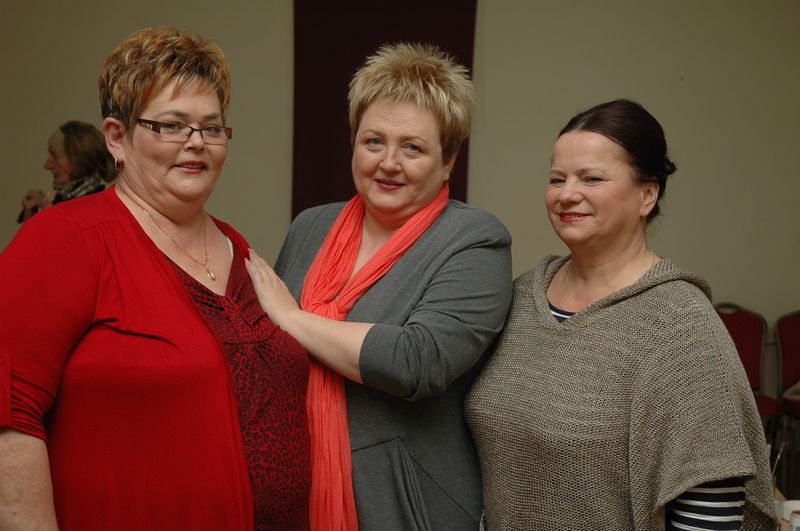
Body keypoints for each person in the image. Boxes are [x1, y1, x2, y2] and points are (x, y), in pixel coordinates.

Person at [0, 26, 310, 531]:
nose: (197, 143)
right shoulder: (67, 238)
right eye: (172, 125)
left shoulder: (237, 247)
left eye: (212, 128)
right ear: (116, 138)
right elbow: (8, 414)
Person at [465, 99, 777, 530]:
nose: (566, 194)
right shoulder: (519, 298)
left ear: (647, 194)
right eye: (557, 178)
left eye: (591, 178)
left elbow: (710, 512)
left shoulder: (681, 325)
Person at [246, 42, 512, 530]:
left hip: (404, 507)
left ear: (448, 160)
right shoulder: (310, 227)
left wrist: (291, 318)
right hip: (293, 493)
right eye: (374, 141)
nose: (389, 162)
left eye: (413, 148)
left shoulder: (475, 240)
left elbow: (417, 361)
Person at [18, 120, 115, 223]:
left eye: (55, 157)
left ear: (79, 162)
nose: (46, 166)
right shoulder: (57, 201)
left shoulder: (101, 208)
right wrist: (30, 219)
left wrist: (49, 222)